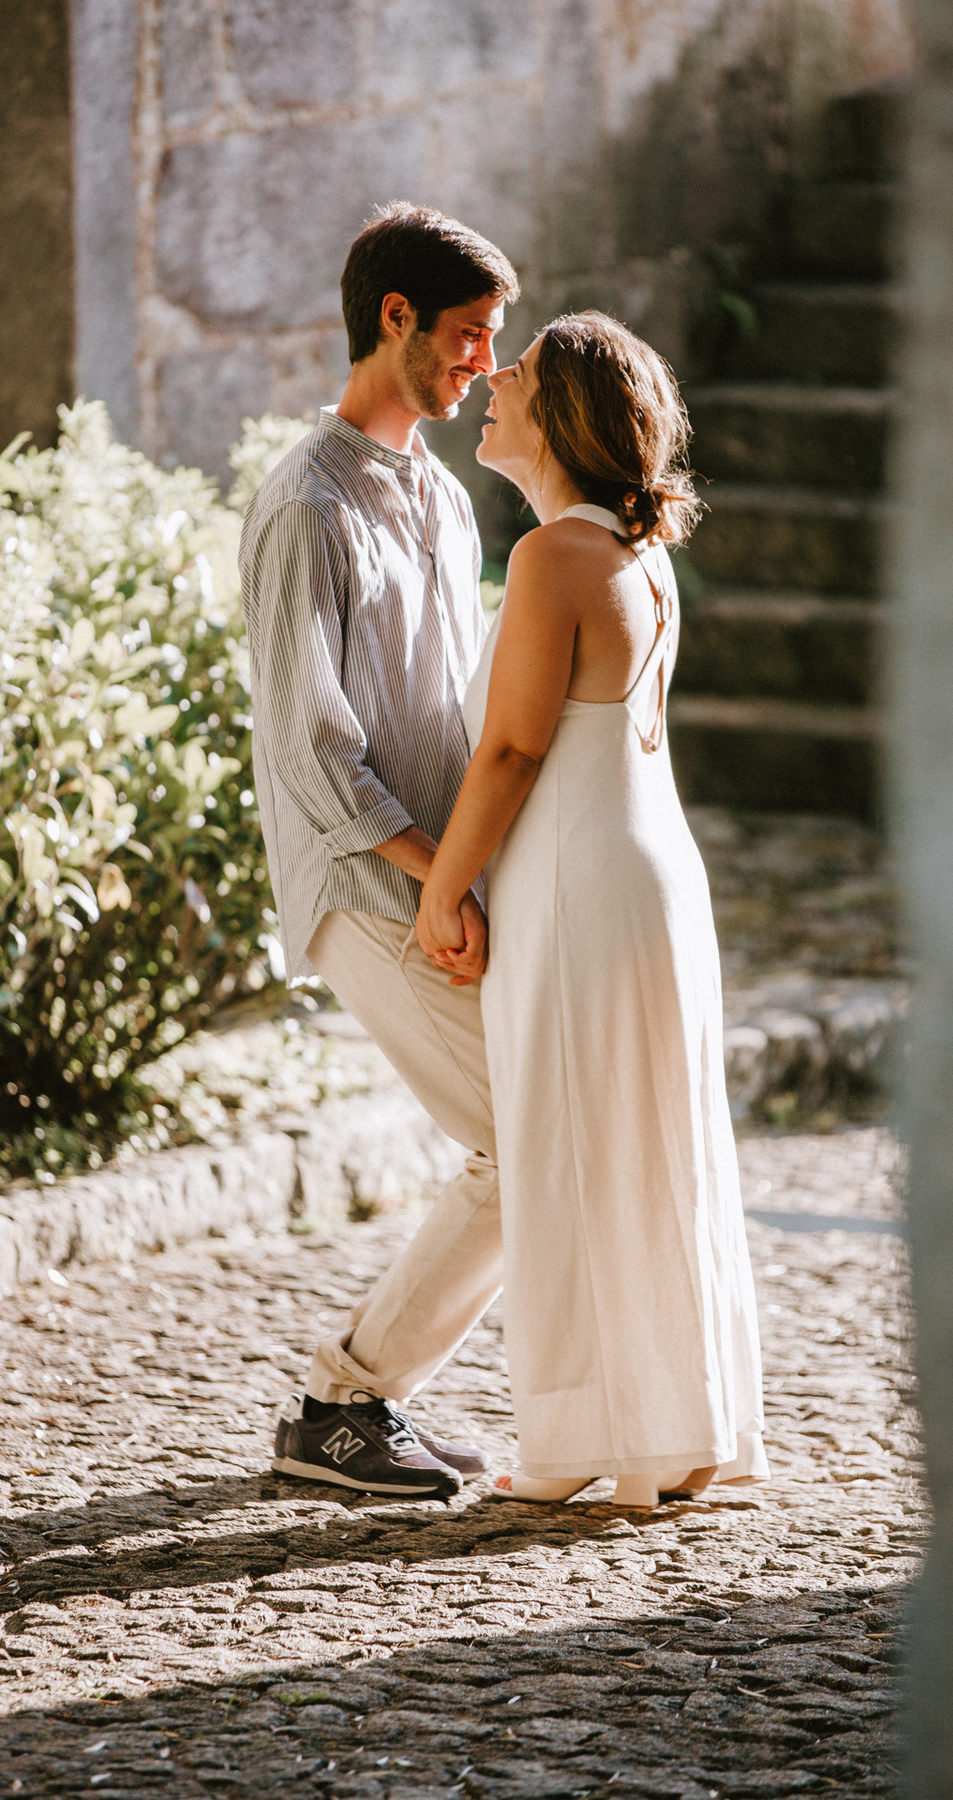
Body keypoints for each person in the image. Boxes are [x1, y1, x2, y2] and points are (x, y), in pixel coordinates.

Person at [415, 312, 769, 1506]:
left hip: (577, 885)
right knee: (656, 1152)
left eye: (510, 379)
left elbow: (511, 750)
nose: (488, 392)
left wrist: (442, 891)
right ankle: (682, 1431)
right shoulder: (633, 551)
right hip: (653, 875)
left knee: (573, 1152)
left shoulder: (552, 558)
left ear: (561, 417)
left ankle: (585, 1445)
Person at [239, 202, 521, 1501]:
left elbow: (460, 711)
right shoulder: (306, 504)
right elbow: (314, 749)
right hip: (366, 886)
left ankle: (364, 1402)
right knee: (524, 1146)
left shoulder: (443, 495)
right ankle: (343, 1405)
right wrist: (438, 878)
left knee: (528, 1139)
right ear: (394, 318)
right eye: (467, 335)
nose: (482, 363)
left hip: (446, 880)